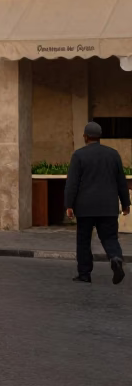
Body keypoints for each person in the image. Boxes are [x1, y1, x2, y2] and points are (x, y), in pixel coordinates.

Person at [64, 121, 130, 284]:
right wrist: (126, 203)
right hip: (108, 206)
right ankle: (115, 258)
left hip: (85, 207)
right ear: (100, 137)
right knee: (110, 237)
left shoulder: (78, 155)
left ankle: (84, 274)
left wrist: (69, 205)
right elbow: (121, 181)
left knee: (84, 240)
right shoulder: (113, 155)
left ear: (85, 137)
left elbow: (72, 183)